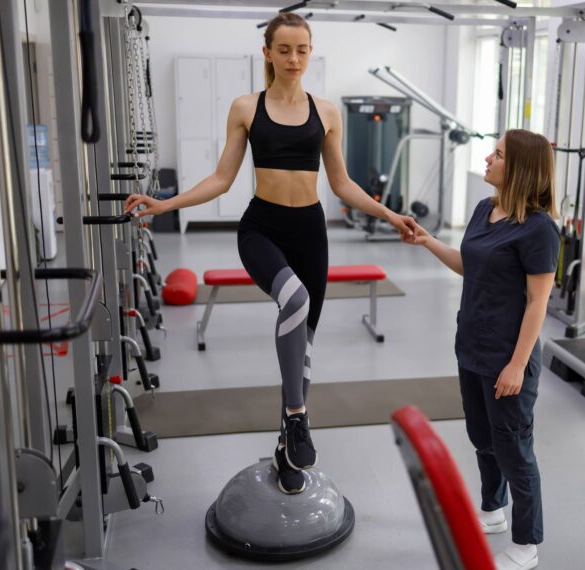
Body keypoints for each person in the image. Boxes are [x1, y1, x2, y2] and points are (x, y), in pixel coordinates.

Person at [125, 12, 415, 495]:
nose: (294, 58)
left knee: (302, 349)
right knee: (294, 300)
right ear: (268, 53)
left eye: (302, 49)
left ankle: (287, 444)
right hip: (261, 229)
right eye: (285, 49)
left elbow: (341, 184)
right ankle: (299, 417)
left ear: (310, 52)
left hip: (309, 232)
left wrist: (390, 215)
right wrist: (167, 203)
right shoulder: (246, 107)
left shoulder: (326, 112)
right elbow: (222, 178)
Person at [403, 129, 559, 570]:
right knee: (481, 438)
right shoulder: (484, 210)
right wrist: (428, 241)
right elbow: (469, 265)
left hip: (507, 359)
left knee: (513, 448)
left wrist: (516, 365)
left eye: (499, 154)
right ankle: (491, 511)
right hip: (471, 346)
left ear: (521, 169)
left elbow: (537, 302)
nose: (488, 158)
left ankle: (526, 543)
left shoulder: (539, 229)